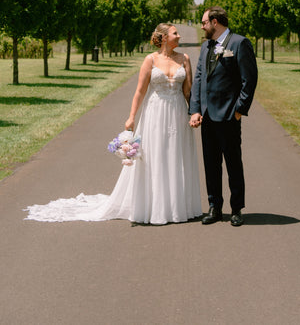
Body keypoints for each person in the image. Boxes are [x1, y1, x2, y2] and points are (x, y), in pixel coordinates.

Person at [24, 23, 202, 225]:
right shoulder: (150, 60)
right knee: (156, 156)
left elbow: (188, 91)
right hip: (155, 113)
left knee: (176, 155)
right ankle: (155, 207)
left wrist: (194, 112)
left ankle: (178, 207)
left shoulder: (184, 59)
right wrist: (131, 117)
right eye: (175, 33)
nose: (179, 36)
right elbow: (140, 92)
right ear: (162, 38)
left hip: (177, 113)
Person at [189, 7, 257, 226]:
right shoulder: (205, 45)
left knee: (233, 163)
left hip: (229, 115)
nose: (202, 26)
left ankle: (236, 208)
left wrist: (239, 110)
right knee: (211, 164)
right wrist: (196, 109)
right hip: (207, 116)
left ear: (215, 22)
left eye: (204, 22)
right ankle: (214, 207)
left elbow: (249, 79)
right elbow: (199, 79)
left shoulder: (239, 43)